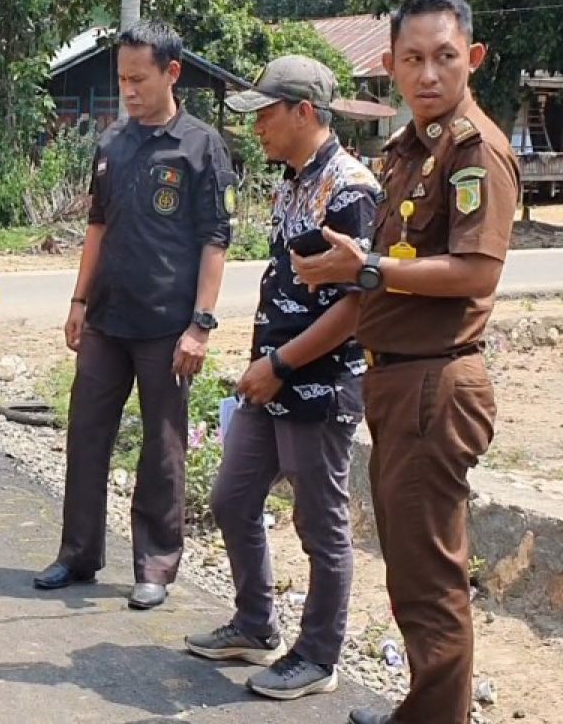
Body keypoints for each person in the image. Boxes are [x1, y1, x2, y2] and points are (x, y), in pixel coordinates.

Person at [292, 0, 519, 724]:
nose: (428, 74)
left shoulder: (471, 149)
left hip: (435, 382)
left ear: (473, 59)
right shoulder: (412, 145)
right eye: (413, 59)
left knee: (429, 580)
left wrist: (366, 272)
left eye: (445, 58)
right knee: (414, 572)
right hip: (398, 379)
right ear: (389, 65)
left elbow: (475, 272)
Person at [184, 56, 379, 700]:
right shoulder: (291, 181)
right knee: (232, 499)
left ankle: (317, 657)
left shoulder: (350, 190)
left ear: (303, 112)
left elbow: (355, 306)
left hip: (318, 384)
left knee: (320, 527)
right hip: (273, 377)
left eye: (266, 114)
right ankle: (255, 622)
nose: (257, 128)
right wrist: (266, 366)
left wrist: (281, 364)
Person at [33, 20, 235, 610]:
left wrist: (201, 323)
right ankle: (78, 554)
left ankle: (154, 565)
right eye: (122, 79)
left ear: (172, 73)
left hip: (167, 327)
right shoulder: (112, 144)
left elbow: (215, 240)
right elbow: (96, 227)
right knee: (86, 434)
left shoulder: (201, 146)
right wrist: (78, 300)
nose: (128, 90)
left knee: (162, 446)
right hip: (107, 319)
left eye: (138, 78)